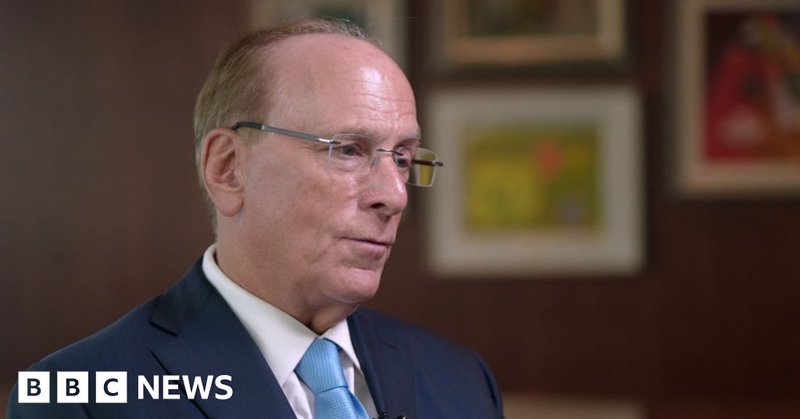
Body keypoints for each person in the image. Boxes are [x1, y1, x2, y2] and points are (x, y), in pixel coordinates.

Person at [7, 18, 504, 418]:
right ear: (228, 169)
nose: (394, 196)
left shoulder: (460, 378)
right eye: (349, 150)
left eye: (402, 157)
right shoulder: (77, 399)